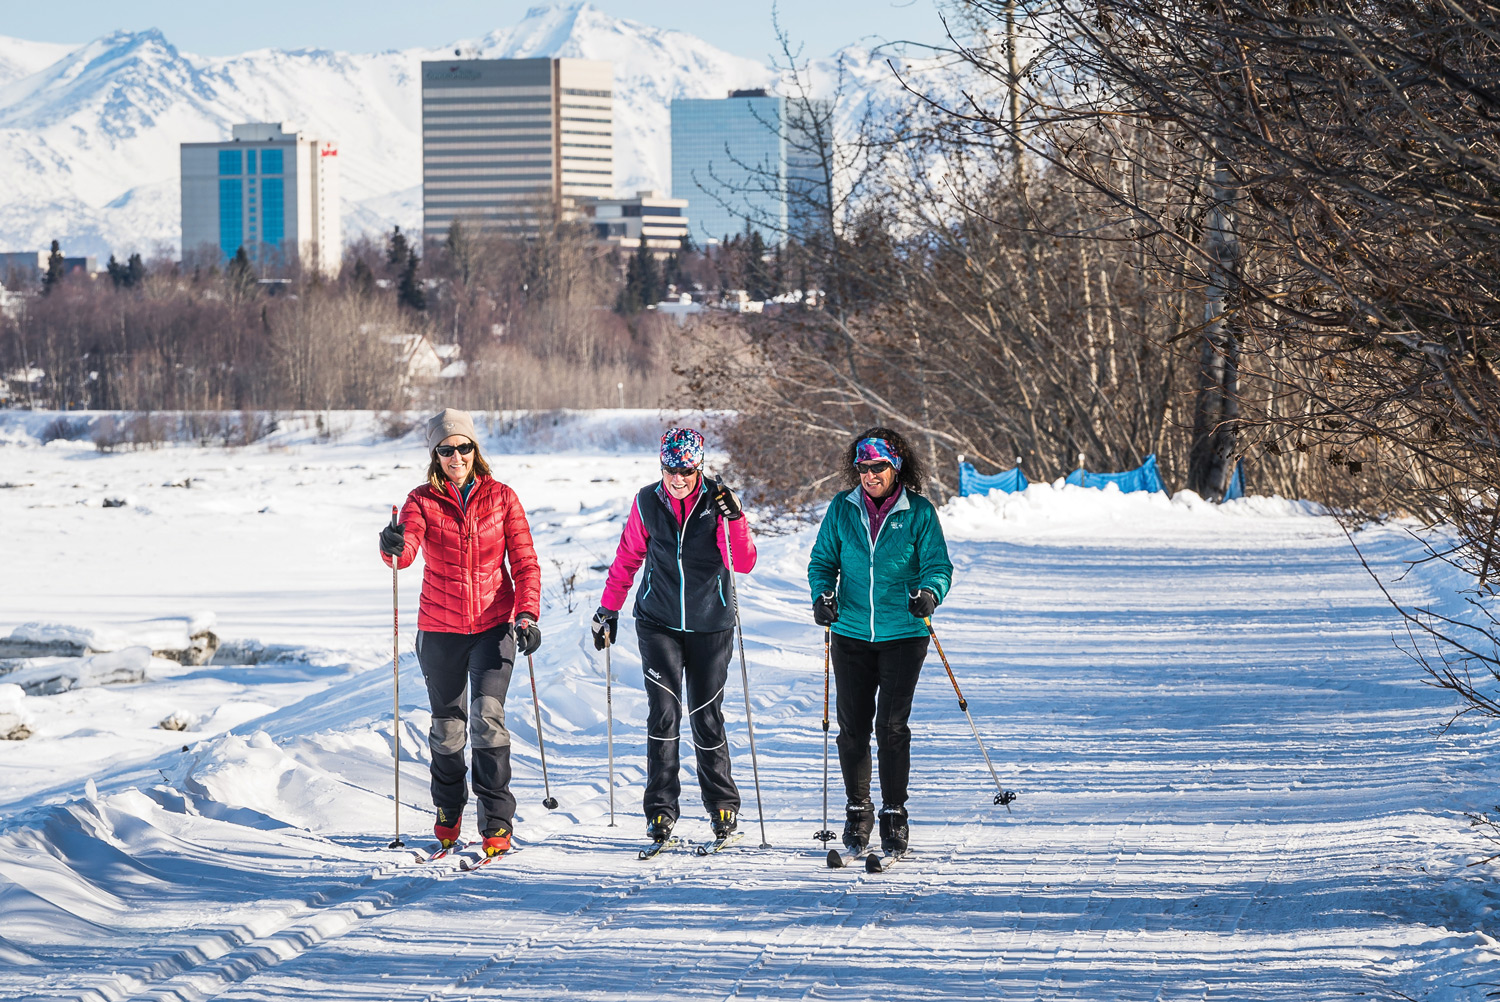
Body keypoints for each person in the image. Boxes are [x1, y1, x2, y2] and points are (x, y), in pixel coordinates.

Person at [378, 408, 541, 858]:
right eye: (446, 449)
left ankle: (497, 821)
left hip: (494, 627)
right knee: (448, 730)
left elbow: (525, 564)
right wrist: (391, 545)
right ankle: (449, 811)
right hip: (440, 630)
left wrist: (526, 616)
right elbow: (406, 551)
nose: (456, 456)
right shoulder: (421, 500)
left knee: (488, 719)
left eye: (463, 447)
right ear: (435, 454)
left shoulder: (502, 498)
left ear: (475, 450)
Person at [591, 428, 757, 845]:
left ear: (698, 466)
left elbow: (744, 561)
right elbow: (629, 555)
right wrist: (607, 609)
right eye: (670, 469)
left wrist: (734, 517)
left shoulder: (718, 502)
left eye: (685, 470)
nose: (677, 478)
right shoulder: (648, 500)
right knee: (663, 713)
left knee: (705, 715)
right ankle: (660, 812)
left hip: (710, 624)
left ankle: (722, 806)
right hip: (657, 622)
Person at [806, 427, 954, 857]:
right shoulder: (842, 508)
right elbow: (822, 562)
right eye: (863, 467)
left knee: (890, 728)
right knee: (852, 730)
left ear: (896, 467)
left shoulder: (919, 512)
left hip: (904, 634)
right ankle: (858, 811)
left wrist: (929, 593)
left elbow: (938, 566)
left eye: (878, 467)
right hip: (851, 632)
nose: (869, 475)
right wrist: (823, 596)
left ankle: (894, 813)